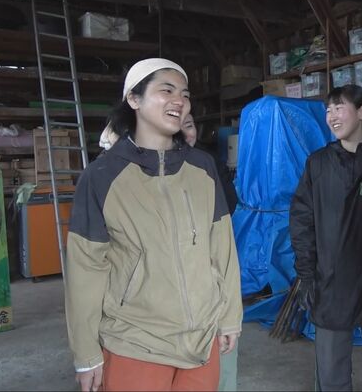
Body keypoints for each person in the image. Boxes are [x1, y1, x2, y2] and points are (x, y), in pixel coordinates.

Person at [65, 58, 243, 392]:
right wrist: (86, 352)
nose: (180, 100)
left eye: (185, 93)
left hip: (202, 339)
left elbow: (222, 248)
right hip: (135, 342)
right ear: (134, 99)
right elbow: (85, 269)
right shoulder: (102, 176)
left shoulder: (203, 168)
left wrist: (230, 317)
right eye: (167, 90)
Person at [289, 85, 362, 391]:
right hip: (331, 281)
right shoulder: (319, 163)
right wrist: (307, 276)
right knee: (331, 371)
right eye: (328, 110)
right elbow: (301, 221)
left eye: (339, 108)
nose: (332, 116)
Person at [181, 113, 239, 391]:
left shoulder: (208, 164)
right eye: (178, 125)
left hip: (208, 272)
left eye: (189, 125)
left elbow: (229, 204)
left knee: (222, 359)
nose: (184, 132)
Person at [181, 113, 239, 215]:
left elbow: (229, 200)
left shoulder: (209, 160)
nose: (185, 135)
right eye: (176, 129)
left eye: (189, 126)